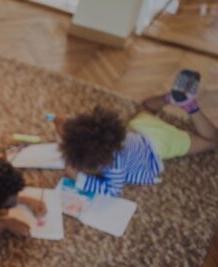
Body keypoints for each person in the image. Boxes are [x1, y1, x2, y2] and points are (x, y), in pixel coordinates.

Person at [54, 69, 217, 197]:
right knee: (146, 107)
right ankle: (169, 99)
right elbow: (74, 137)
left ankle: (190, 106)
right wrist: (61, 126)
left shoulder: (115, 166)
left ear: (102, 164)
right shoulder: (101, 139)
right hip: (139, 127)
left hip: (161, 142)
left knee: (211, 141)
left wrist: (79, 178)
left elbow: (112, 190)